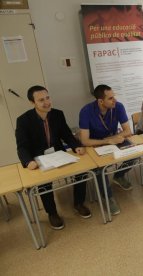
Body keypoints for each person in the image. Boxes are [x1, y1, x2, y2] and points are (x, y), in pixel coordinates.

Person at [15, 85, 90, 230]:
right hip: (38, 158)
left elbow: (67, 134)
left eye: (48, 98)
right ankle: (52, 213)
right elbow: (22, 146)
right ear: (32, 103)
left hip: (59, 154)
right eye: (41, 100)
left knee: (82, 170)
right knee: (44, 182)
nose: (47, 102)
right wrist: (28, 161)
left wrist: (76, 146)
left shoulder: (57, 114)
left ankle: (79, 203)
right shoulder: (23, 120)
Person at [79, 84, 133, 215]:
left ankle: (119, 175)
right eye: (110, 98)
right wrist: (107, 141)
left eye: (114, 96)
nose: (114, 100)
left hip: (113, 140)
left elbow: (128, 131)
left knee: (135, 153)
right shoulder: (86, 111)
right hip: (95, 144)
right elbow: (84, 141)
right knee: (99, 168)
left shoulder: (118, 106)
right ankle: (107, 197)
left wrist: (114, 138)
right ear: (100, 101)